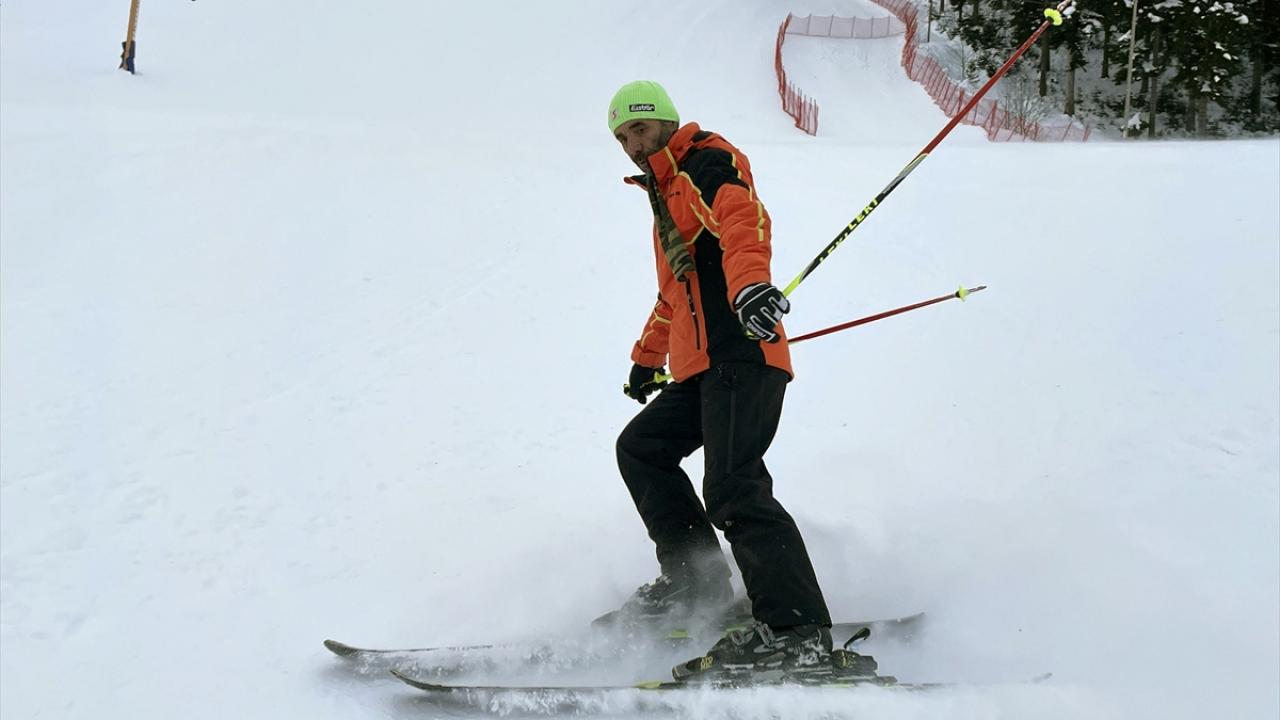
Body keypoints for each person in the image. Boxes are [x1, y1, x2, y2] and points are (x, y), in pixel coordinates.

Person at [603, 80, 834, 680]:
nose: (632, 144)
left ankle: (797, 632)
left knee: (733, 486)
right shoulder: (663, 195)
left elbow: (742, 218)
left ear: (665, 121)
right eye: (622, 137)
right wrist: (646, 357)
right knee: (642, 448)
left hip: (742, 351)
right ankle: (695, 584)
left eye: (640, 129)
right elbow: (674, 292)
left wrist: (752, 286)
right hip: (703, 366)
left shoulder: (704, 160)